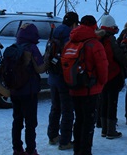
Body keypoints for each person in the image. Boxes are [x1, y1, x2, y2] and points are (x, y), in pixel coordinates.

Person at [64, 15, 108, 155]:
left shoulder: (70, 42)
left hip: (74, 87)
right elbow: (102, 68)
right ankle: (85, 151)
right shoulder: (94, 44)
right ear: (94, 26)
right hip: (90, 89)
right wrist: (102, 82)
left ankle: (77, 149)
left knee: (79, 120)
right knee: (88, 122)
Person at [10, 24, 47, 155]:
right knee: (30, 123)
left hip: (15, 90)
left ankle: (17, 149)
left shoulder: (14, 47)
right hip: (29, 91)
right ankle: (31, 150)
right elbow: (40, 69)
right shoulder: (32, 48)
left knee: (17, 120)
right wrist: (47, 59)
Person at [47, 12, 78, 151]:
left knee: (55, 107)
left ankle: (53, 136)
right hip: (64, 78)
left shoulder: (55, 33)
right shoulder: (69, 36)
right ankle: (65, 141)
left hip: (53, 76)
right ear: (74, 24)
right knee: (67, 110)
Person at [96, 15, 127, 139]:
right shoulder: (111, 39)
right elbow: (119, 55)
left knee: (103, 101)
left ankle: (104, 128)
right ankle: (111, 130)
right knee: (112, 102)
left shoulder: (97, 38)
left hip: (101, 74)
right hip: (113, 74)